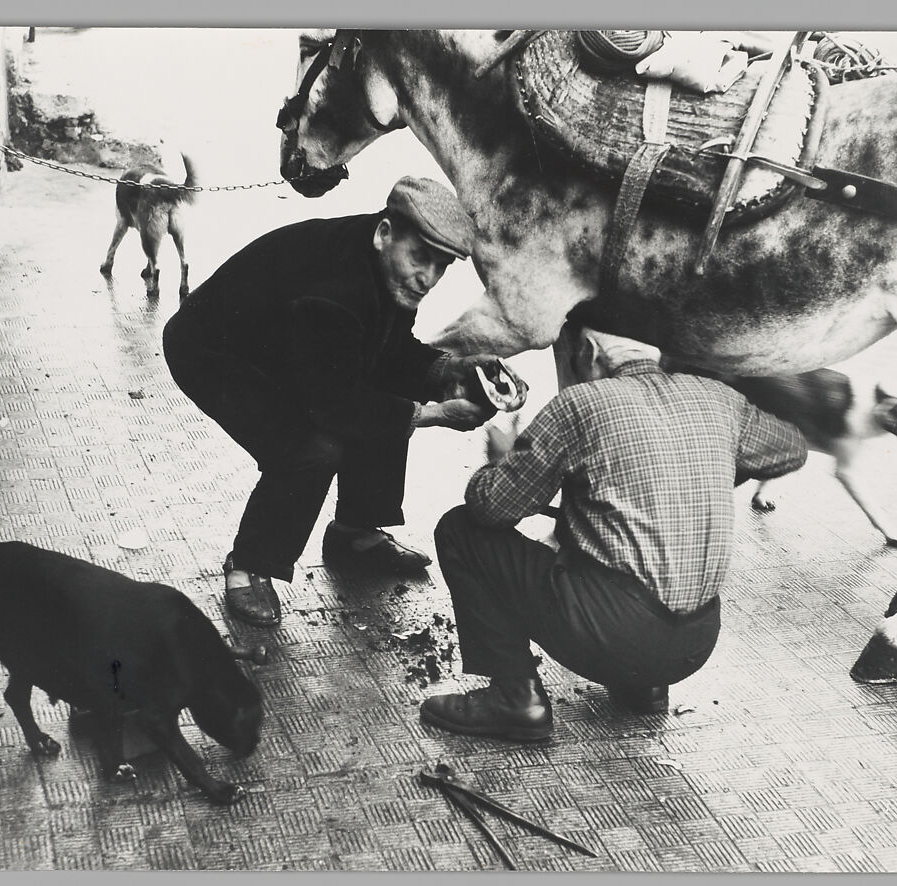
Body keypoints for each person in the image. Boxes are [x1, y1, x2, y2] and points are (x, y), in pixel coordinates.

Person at [419, 325, 808, 741]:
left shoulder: (580, 404)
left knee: (460, 530)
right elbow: (792, 449)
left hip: (614, 633)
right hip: (696, 641)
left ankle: (516, 698)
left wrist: (502, 460)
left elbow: (492, 508)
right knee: (616, 553)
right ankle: (644, 688)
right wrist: (706, 472)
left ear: (586, 352)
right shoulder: (717, 398)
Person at [163, 176, 506, 628]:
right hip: (214, 352)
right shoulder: (335, 290)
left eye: (441, 266)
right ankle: (249, 565)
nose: (429, 278)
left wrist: (451, 367)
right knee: (310, 446)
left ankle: (353, 533)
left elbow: (388, 350)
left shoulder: (388, 265)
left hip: (286, 344)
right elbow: (333, 404)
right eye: (421, 258)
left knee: (385, 398)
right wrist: (434, 414)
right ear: (385, 233)